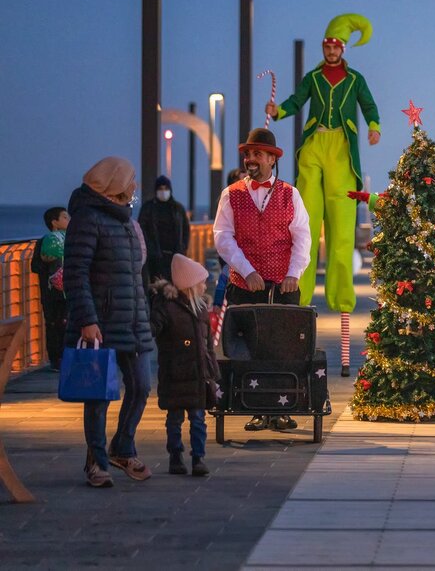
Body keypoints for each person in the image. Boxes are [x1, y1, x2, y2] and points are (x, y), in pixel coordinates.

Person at [267, 13, 379, 377]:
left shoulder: (355, 79)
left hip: (343, 153)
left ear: (343, 49)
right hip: (315, 147)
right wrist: (279, 111)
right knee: (305, 224)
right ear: (323, 48)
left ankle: (342, 300)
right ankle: (298, 296)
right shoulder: (313, 77)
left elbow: (369, 105)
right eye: (326, 45)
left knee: (343, 232)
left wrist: (375, 126)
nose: (331, 50)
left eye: (336, 46)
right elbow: (297, 102)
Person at [63, 156, 155, 488]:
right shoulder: (87, 219)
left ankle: (122, 446)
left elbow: (136, 274)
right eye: (131, 181)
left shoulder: (128, 222)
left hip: (134, 320)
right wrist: (87, 318)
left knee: (142, 386)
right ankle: (96, 461)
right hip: (100, 323)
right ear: (114, 183)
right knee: (99, 394)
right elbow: (75, 274)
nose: (134, 188)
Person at [213, 128, 312, 432]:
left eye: (257, 154)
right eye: (248, 154)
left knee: (283, 348)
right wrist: (247, 270)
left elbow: (302, 237)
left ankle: (282, 407)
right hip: (245, 285)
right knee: (251, 349)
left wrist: (294, 273)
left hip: (283, 286)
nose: (250, 159)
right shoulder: (231, 194)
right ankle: (256, 407)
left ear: (272, 159)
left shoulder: (289, 193)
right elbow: (223, 238)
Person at [150, 254, 218, 477]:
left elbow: (208, 345)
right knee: (175, 419)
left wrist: (213, 372)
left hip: (198, 374)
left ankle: (198, 457)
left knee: (198, 419)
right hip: (175, 374)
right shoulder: (167, 308)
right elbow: (153, 330)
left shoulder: (201, 310)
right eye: (201, 281)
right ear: (190, 284)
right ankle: (175, 456)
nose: (205, 284)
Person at [31, 206, 70, 371]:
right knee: (54, 324)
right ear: (54, 222)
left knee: (67, 323)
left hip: (68, 291)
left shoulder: (70, 239)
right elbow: (35, 266)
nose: (69, 220)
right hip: (52, 293)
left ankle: (67, 357)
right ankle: (56, 359)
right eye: (65, 217)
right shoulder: (45, 241)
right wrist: (47, 262)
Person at [138, 175, 191, 282]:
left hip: (176, 256)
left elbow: (186, 229)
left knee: (176, 286)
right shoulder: (148, 208)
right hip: (155, 258)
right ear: (156, 190)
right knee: (157, 288)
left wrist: (183, 247)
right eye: (160, 189)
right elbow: (141, 230)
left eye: (166, 188)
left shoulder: (178, 208)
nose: (163, 191)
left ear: (170, 190)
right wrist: (150, 249)